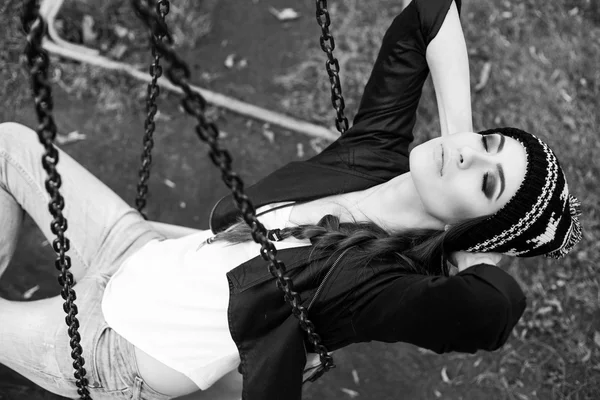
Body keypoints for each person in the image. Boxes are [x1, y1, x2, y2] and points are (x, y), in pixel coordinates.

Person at [0, 0, 582, 400]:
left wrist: (476, 246)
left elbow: (493, 307)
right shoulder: (374, 153)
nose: (468, 157)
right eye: (489, 144)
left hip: (115, 351)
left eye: (486, 183)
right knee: (10, 146)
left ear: (476, 231)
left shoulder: (380, 284)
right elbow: (429, 14)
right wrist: (462, 138)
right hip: (140, 251)